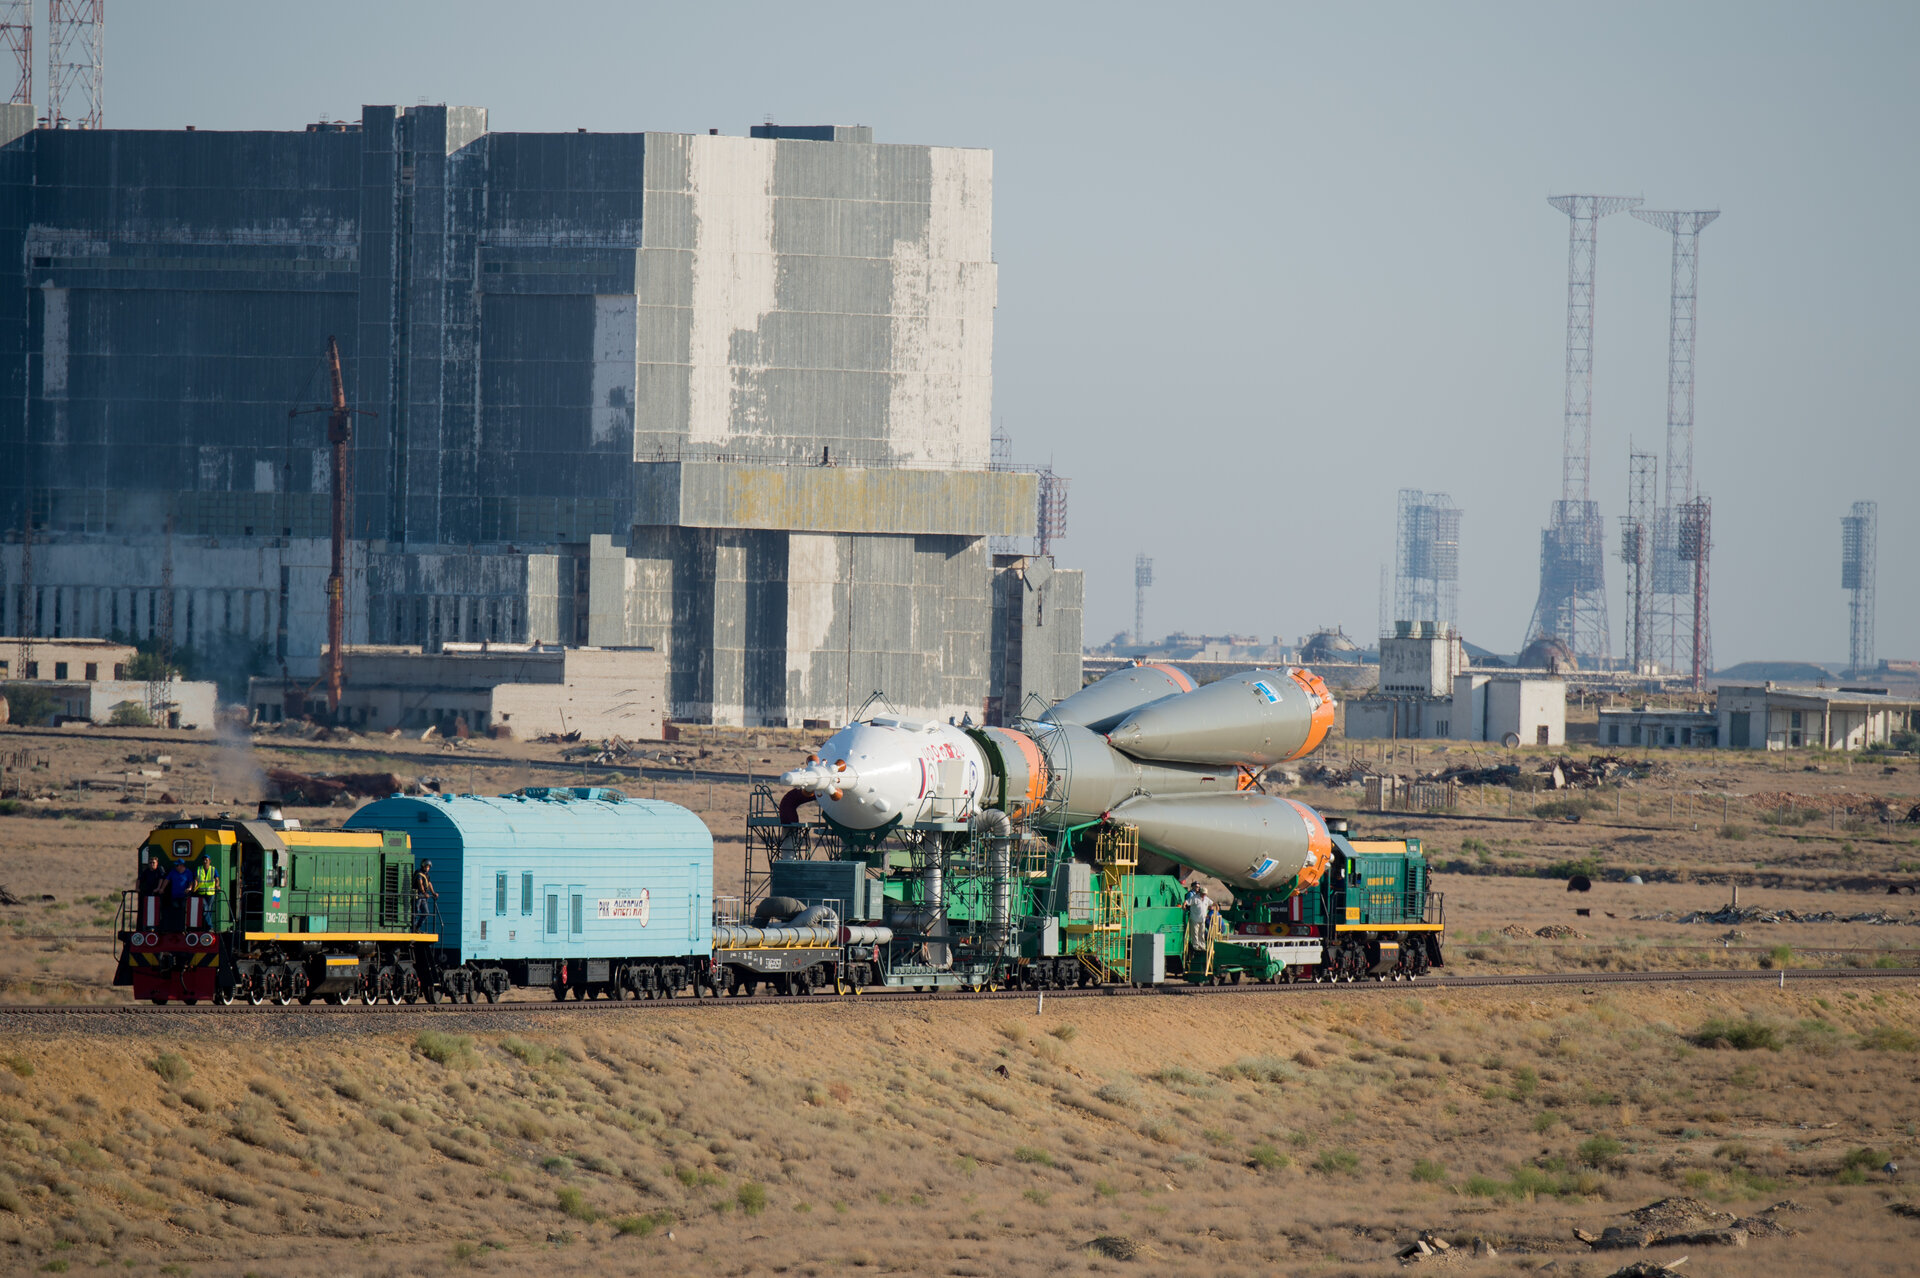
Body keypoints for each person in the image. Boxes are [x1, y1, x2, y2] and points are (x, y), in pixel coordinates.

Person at [164, 856, 193, 931]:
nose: (176, 866)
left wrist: (189, 888)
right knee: (175, 911)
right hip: (174, 896)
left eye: (177, 865)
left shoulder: (188, 872)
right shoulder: (173, 872)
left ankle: (183, 928)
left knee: (183, 911)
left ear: (182, 865)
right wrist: (162, 888)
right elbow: (167, 880)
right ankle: (174, 927)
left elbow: (191, 882)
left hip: (183, 896)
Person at [412, 861, 438, 932]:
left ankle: (417, 927)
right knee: (415, 911)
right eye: (427, 866)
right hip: (417, 895)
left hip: (423, 896)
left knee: (425, 912)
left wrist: (433, 893)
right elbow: (420, 884)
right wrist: (424, 893)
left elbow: (429, 883)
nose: (428, 868)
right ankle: (413, 928)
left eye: (429, 867)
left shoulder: (426, 875)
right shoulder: (419, 873)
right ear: (423, 866)